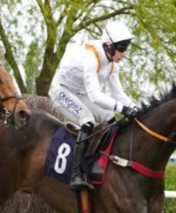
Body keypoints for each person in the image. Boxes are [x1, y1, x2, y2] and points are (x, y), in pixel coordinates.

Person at [49, 21, 140, 191]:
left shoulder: (113, 63)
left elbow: (118, 94)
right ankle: (75, 175)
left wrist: (136, 108)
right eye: (121, 49)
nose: (124, 54)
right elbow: (96, 96)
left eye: (126, 48)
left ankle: (100, 161)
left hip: (81, 93)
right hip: (61, 91)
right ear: (108, 46)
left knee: (110, 119)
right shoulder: (91, 57)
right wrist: (123, 109)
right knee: (87, 121)